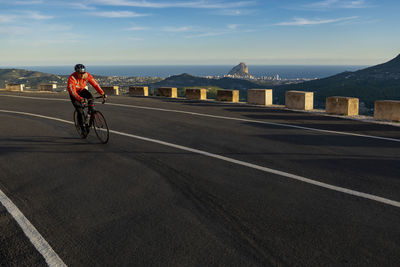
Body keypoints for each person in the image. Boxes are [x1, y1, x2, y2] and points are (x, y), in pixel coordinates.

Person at [67, 64, 107, 135]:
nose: (82, 75)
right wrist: (80, 99)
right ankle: (82, 128)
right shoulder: (72, 78)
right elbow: (72, 92)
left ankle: (88, 115)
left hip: (82, 90)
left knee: (91, 98)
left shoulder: (87, 75)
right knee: (79, 110)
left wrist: (102, 93)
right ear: (76, 72)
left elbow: (95, 84)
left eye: (84, 73)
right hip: (74, 94)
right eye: (80, 73)